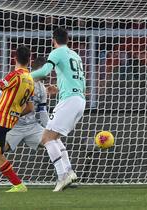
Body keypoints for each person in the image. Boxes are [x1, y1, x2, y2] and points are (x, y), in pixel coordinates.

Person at [0, 57, 58, 188]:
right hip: (14, 126)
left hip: (32, 127)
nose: (49, 74)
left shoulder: (42, 89)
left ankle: (63, 176)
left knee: (53, 143)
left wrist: (50, 128)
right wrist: (1, 115)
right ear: (39, 69)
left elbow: (42, 112)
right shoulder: (20, 80)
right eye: (47, 71)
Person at [31, 27, 86, 192]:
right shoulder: (75, 55)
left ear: (53, 40)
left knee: (47, 138)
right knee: (55, 138)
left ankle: (62, 176)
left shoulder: (56, 52)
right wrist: (60, 89)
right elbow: (80, 81)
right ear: (68, 40)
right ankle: (69, 171)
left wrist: (24, 76)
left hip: (69, 101)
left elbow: (45, 71)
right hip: (80, 100)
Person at [0, 45, 34, 192]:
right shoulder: (30, 80)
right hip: (10, 121)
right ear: (29, 59)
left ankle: (18, 184)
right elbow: (30, 108)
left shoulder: (15, 75)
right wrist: (14, 113)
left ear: (14, 58)